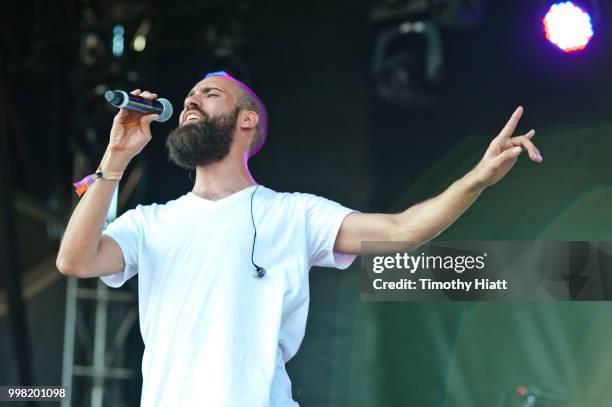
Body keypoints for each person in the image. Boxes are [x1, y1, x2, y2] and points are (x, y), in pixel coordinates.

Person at [56, 71, 542, 406]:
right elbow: (75, 260)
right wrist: (116, 156)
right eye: (189, 97)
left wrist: (476, 178)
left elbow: (400, 231)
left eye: (209, 94)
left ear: (246, 120)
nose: (189, 102)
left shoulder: (293, 214)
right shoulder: (149, 222)